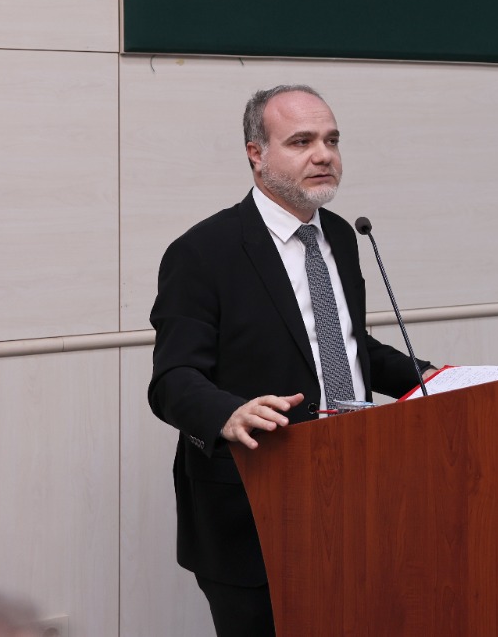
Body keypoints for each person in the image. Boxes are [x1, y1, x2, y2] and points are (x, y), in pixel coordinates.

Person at [147, 85, 433, 637]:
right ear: (256, 154)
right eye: (301, 142)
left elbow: (347, 345)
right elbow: (173, 379)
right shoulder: (203, 251)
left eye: (331, 140)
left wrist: (435, 379)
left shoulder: (342, 236)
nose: (323, 155)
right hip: (254, 506)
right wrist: (227, 413)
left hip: (354, 487)